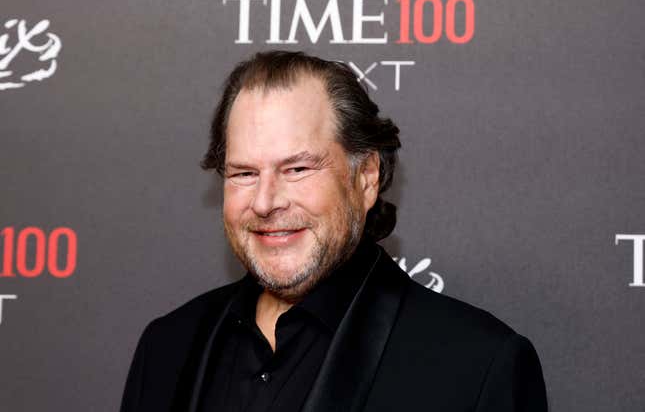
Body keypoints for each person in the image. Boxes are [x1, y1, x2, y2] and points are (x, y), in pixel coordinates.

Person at [120, 51, 548, 412]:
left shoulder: (477, 366)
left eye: (298, 168)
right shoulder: (167, 348)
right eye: (245, 173)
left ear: (365, 178)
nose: (266, 201)